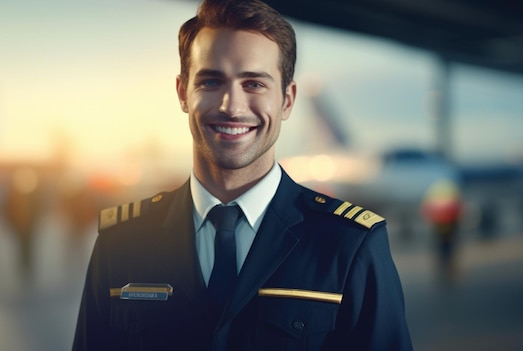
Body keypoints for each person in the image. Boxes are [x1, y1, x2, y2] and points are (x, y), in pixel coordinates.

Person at [72, 0, 412, 350]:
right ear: (182, 93)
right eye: (211, 81)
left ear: (287, 100)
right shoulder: (121, 242)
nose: (231, 107)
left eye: (254, 84)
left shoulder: (349, 245)